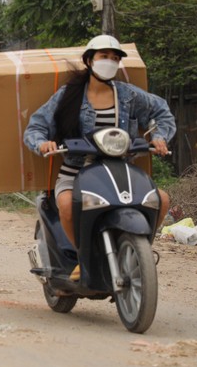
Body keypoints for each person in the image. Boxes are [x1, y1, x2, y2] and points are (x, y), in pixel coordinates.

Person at [23, 35, 176, 281]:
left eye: (115, 58)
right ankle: (82, 257)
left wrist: (160, 136)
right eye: (104, 56)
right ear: (89, 60)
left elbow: (162, 112)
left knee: (162, 200)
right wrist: (42, 143)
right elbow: (35, 127)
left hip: (120, 169)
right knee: (66, 205)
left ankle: (139, 253)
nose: (110, 62)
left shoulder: (128, 95)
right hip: (77, 169)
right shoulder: (68, 95)